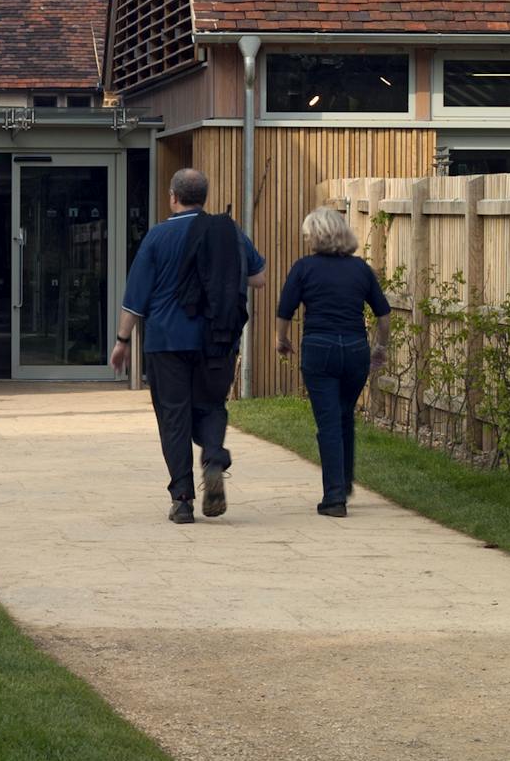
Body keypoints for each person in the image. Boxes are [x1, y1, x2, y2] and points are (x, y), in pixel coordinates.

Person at [110, 167, 262, 522]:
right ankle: (211, 456)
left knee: (174, 417)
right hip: (217, 339)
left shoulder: (157, 237)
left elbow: (135, 298)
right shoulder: (230, 233)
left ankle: (182, 500)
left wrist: (121, 341)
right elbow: (259, 278)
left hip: (166, 340)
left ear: (173, 197)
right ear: (204, 197)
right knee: (211, 405)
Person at [273, 204, 391, 517]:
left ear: (317, 235)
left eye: (308, 234)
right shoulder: (360, 269)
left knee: (328, 421)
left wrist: (281, 340)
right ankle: (345, 479)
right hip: (355, 349)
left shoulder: (303, 268)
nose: (306, 238)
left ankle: (334, 497)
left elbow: (285, 310)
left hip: (319, 348)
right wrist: (381, 346)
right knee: (343, 414)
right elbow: (383, 312)